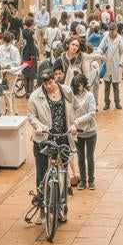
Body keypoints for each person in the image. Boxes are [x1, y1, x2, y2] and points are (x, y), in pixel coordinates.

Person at [27, 70, 77, 198]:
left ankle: (62, 204)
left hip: (63, 137)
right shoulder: (34, 96)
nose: (48, 86)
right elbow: (31, 116)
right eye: (45, 84)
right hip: (44, 138)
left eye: (50, 82)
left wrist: (74, 123)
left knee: (63, 171)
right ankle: (42, 202)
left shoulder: (66, 91)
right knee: (42, 173)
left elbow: (76, 108)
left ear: (55, 78)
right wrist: (39, 127)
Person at [71, 73, 98, 190]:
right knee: (80, 157)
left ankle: (91, 180)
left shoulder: (90, 96)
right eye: (76, 86)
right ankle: (82, 180)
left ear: (83, 84)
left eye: (80, 85)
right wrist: (74, 124)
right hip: (78, 132)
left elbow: (92, 113)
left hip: (90, 131)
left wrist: (78, 121)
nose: (78, 88)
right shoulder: (73, 96)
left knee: (90, 157)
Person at [98, 24, 123, 110]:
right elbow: (100, 47)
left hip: (116, 65)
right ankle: (107, 103)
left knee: (116, 86)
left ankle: (117, 102)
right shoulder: (106, 37)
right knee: (106, 86)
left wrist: (121, 61)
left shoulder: (120, 39)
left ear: (116, 30)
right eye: (110, 31)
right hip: (107, 64)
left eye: (113, 31)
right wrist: (99, 53)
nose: (111, 33)